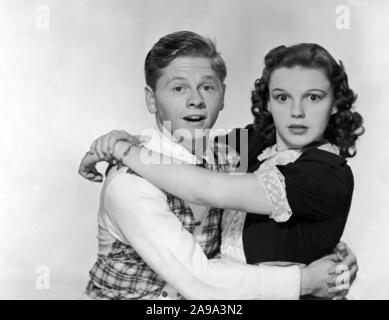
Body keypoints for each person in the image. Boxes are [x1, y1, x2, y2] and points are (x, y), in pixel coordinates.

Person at [79, 32, 358, 299]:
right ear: (151, 99)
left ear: (223, 95)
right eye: (178, 88)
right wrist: (305, 281)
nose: (196, 100)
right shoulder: (130, 184)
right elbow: (199, 281)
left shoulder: (231, 154)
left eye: (207, 87)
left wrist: (331, 259)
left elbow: (204, 185)